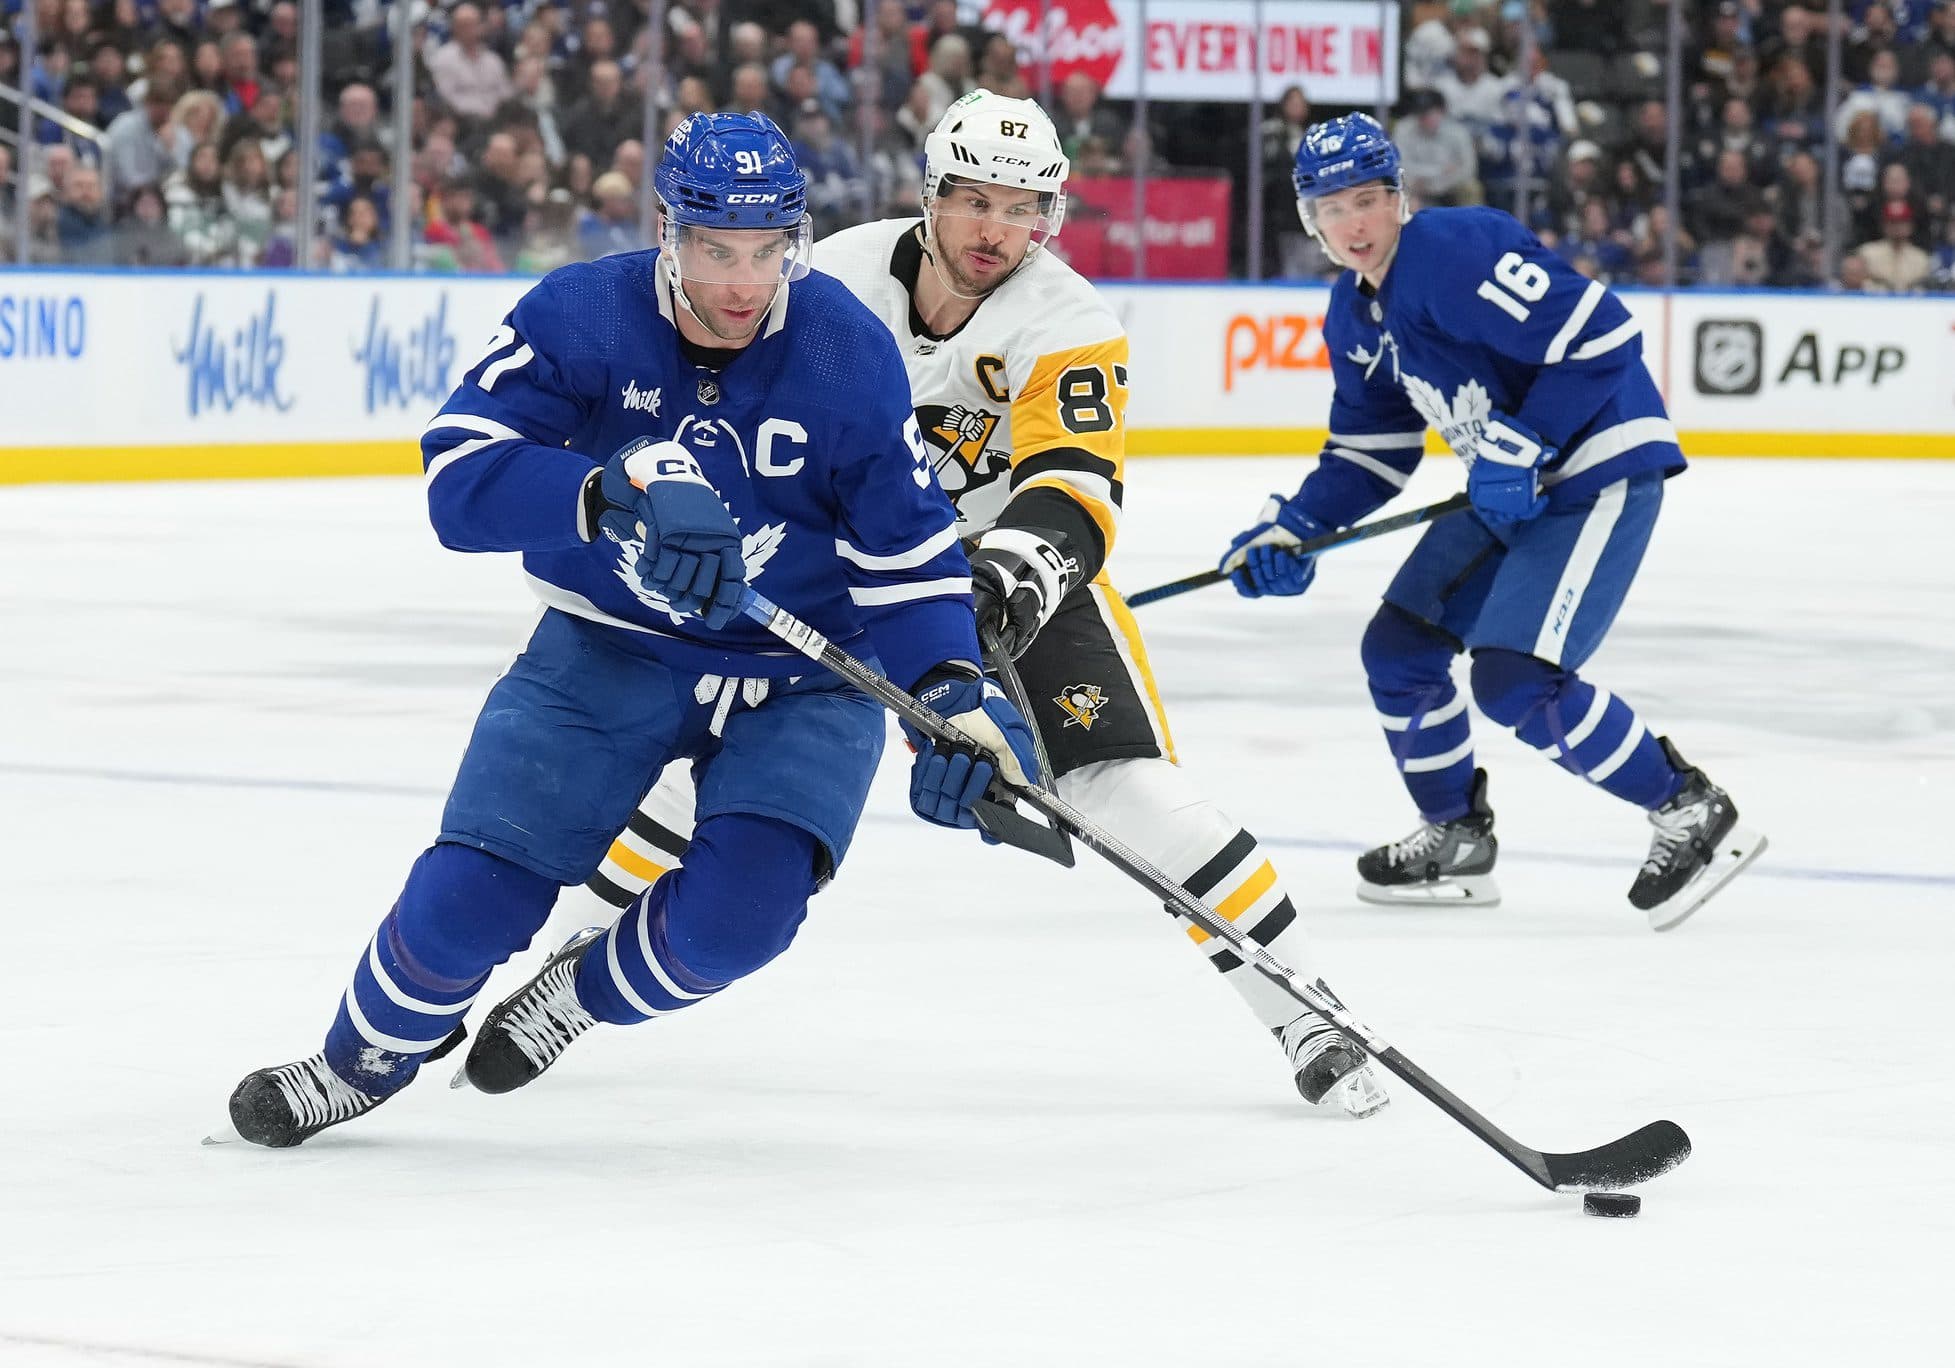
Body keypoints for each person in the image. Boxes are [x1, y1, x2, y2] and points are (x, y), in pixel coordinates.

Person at [219, 112, 1038, 1148]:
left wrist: (948, 694)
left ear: (793, 238)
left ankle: (579, 994)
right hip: (607, 645)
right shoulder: (584, 314)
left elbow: (909, 553)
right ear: (667, 230)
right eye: (714, 251)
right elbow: (455, 476)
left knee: (739, 920)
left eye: (765, 252)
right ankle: (359, 1061)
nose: (742, 283)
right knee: (467, 902)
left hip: (807, 678)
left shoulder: (843, 351)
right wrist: (602, 494)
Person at [587, 91, 1391, 1118]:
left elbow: (1072, 487)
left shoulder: (1068, 322)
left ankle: (1302, 1010)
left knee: (1127, 791)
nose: (996, 233)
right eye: (974, 201)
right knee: (698, 759)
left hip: (1002, 573)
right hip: (832, 560)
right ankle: (578, 947)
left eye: (1024, 210)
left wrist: (1001, 583)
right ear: (931, 195)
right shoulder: (829, 274)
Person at [1218, 115, 1765, 932]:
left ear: (1399, 198)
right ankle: (1457, 837)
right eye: (1330, 209)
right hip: (1509, 485)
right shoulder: (1353, 313)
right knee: (1398, 651)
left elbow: (1602, 333)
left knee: (1514, 678)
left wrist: (1524, 442)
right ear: (1309, 220)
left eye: (1366, 200)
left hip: (1593, 468)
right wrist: (1290, 526)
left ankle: (1691, 810)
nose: (1352, 224)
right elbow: (1370, 453)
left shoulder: (1451, 250)